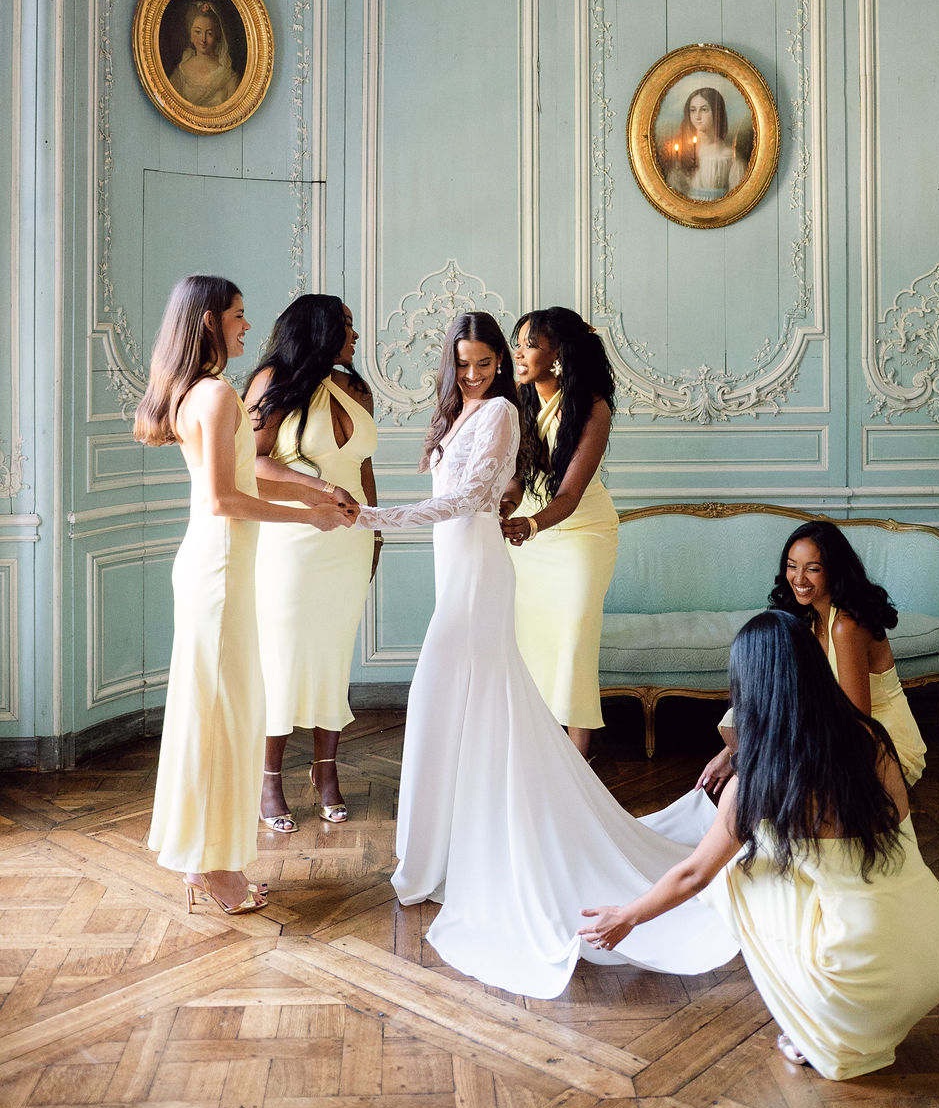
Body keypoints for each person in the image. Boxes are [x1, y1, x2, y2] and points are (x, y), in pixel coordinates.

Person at [341, 311, 738, 998]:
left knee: (495, 685)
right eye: (466, 363)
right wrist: (510, 504)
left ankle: (466, 846)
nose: (478, 373)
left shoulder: (519, 410)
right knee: (465, 699)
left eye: (492, 360)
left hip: (545, 542)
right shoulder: (484, 409)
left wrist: (376, 519)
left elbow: (487, 494)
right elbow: (504, 482)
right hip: (476, 557)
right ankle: (445, 853)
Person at [581, 611, 939, 1081]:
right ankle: (842, 1011)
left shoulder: (759, 782)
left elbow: (693, 874)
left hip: (864, 981)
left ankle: (816, 1026)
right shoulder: (872, 739)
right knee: (802, 859)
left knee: (733, 875)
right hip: (936, 946)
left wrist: (626, 917)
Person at [134, 276, 347, 914]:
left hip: (211, 566)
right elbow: (225, 499)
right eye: (237, 315)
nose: (246, 327)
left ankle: (204, 858)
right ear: (208, 322)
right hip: (221, 570)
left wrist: (317, 493)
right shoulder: (219, 394)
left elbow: (246, 475)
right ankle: (213, 867)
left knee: (216, 713)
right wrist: (311, 518)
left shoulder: (189, 393)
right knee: (222, 720)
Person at [245, 295, 380, 831]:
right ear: (318, 330)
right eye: (346, 326)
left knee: (332, 656)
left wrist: (374, 530)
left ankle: (326, 773)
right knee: (284, 659)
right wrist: (319, 488)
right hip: (293, 542)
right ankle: (268, 780)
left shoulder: (357, 388)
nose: (354, 336)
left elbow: (363, 467)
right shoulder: (274, 381)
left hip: (347, 543)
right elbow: (250, 461)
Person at [698, 520, 927, 796]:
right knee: (740, 720)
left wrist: (784, 746)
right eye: (792, 566)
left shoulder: (846, 626)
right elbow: (785, 693)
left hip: (876, 739)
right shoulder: (805, 618)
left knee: (775, 774)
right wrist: (732, 752)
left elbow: (858, 721)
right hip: (834, 724)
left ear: (834, 571)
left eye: (813, 569)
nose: (799, 578)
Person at [501, 308, 618, 758]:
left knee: (574, 642)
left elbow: (569, 495)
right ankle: (542, 758)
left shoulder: (592, 407)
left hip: (582, 536)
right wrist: (509, 506)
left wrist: (529, 524)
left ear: (559, 354)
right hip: (528, 538)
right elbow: (516, 476)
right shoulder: (516, 400)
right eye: (520, 342)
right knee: (533, 644)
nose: (519, 352)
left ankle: (578, 765)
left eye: (530, 343)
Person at [662, 86, 744, 200]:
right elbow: (674, 191)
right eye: (693, 110)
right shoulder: (682, 152)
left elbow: (738, 197)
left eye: (704, 109)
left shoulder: (729, 155)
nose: (697, 116)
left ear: (716, 112)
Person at [168, 0, 241, 108]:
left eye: (209, 33)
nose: (203, 39)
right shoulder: (180, 73)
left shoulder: (228, 76)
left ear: (217, 36)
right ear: (190, 35)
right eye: (198, 32)